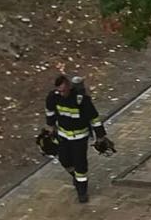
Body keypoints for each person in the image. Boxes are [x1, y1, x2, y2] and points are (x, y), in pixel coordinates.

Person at [44, 74, 110, 203]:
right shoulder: (53, 97)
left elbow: (94, 119)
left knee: (80, 164)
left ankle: (82, 191)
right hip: (63, 136)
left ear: (69, 87)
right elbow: (50, 111)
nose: (61, 93)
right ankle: (76, 176)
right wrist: (50, 127)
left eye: (63, 91)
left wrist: (100, 136)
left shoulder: (82, 100)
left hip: (79, 137)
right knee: (64, 160)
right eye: (59, 91)